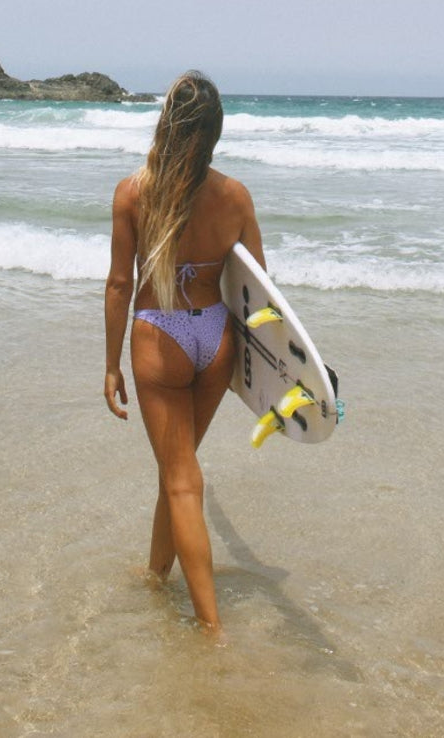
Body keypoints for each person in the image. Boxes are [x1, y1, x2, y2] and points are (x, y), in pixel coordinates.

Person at [104, 70, 266, 632]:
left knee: (181, 480)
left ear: (166, 123)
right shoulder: (235, 196)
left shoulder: (133, 192)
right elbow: (258, 295)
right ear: (215, 133)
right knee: (180, 471)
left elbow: (120, 285)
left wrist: (109, 364)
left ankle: (211, 628)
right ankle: (156, 575)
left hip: (160, 339)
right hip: (216, 341)